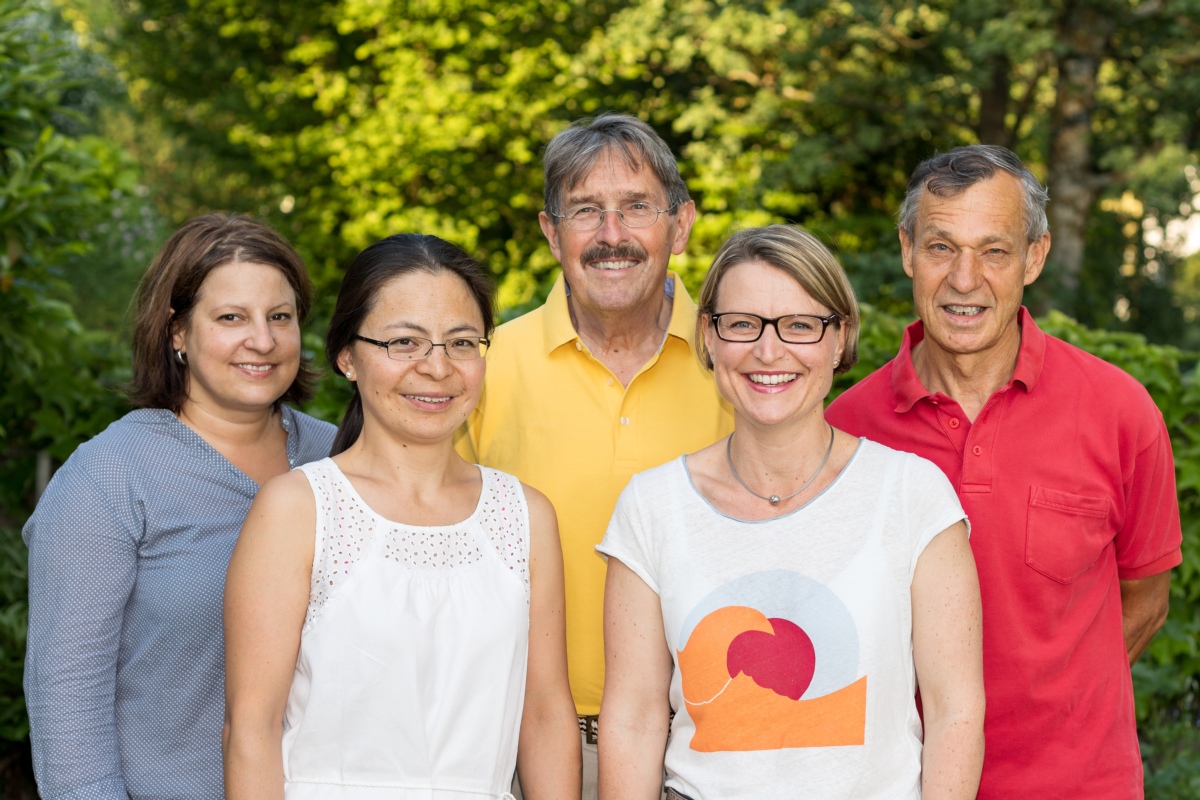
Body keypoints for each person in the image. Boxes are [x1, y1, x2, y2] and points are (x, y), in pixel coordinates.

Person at [826, 145, 1183, 798]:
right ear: (907, 250)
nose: (965, 280)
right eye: (941, 247)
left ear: (1035, 257)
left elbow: (1147, 602)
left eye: (994, 250)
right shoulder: (844, 430)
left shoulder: (1120, 412)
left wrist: (1057, 707)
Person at [597, 225, 985, 799]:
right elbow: (633, 719)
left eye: (800, 325)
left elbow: (956, 712)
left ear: (840, 338)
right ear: (709, 337)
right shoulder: (651, 506)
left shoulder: (912, 495)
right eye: (742, 324)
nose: (768, 350)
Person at [223, 234, 580, 799]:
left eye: (461, 343)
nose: (436, 367)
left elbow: (545, 714)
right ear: (348, 358)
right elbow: (251, 731)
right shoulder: (298, 509)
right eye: (404, 342)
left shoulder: (524, 516)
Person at [456, 114, 734, 796]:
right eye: (586, 211)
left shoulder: (739, 362)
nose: (613, 235)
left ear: (681, 224)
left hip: (703, 749)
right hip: (522, 745)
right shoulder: (483, 367)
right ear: (552, 232)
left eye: (637, 207)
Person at [22, 214, 335, 799]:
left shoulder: (338, 459)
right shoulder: (109, 477)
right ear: (177, 333)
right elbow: (67, 697)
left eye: (280, 317)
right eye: (231, 318)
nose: (263, 340)